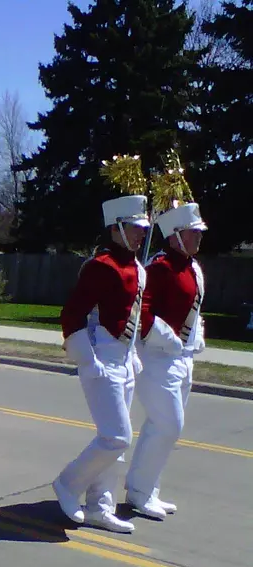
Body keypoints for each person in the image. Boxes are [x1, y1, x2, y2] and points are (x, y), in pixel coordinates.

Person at [53, 186, 149, 534]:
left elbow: (133, 316)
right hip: (101, 358)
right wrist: (86, 359)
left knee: (117, 442)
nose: (142, 232)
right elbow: (72, 315)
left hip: (125, 360)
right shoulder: (101, 266)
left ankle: (100, 507)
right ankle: (67, 483)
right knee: (116, 437)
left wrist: (134, 355)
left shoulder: (137, 268)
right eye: (136, 227)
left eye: (143, 227)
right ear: (117, 228)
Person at [124, 200, 208, 520]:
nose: (199, 238)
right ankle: (141, 491)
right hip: (157, 358)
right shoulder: (158, 268)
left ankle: (146, 490)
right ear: (174, 235)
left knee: (162, 427)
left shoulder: (193, 268)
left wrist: (193, 336)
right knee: (169, 425)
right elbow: (142, 312)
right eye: (192, 233)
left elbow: (194, 310)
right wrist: (169, 339)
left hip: (182, 359)